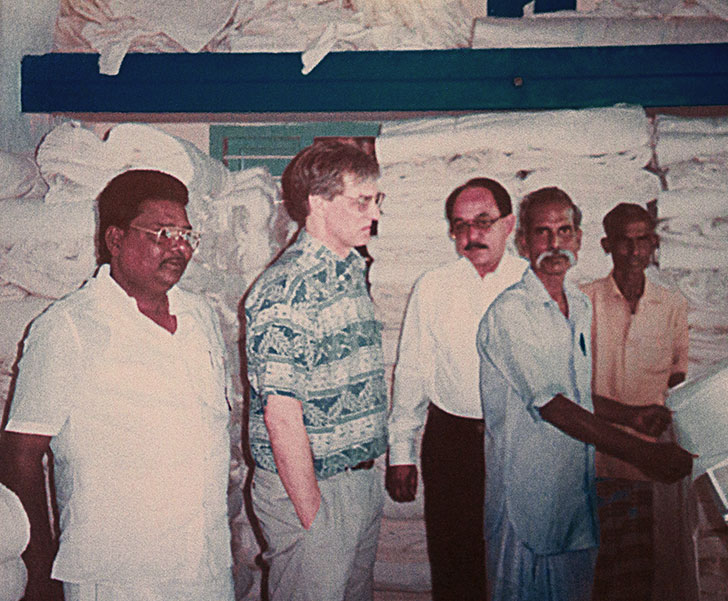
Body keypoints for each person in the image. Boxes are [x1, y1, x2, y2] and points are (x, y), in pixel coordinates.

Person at [0, 169, 234, 601]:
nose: (179, 247)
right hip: (118, 575)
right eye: (162, 234)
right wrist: (39, 569)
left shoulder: (200, 316)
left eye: (186, 235)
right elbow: (20, 453)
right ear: (115, 239)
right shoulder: (69, 327)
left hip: (205, 565)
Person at [476, 187, 693, 601]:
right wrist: (643, 453)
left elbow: (573, 394)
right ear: (523, 243)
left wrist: (630, 415)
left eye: (564, 231)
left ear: (578, 238)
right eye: (542, 233)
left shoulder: (577, 304)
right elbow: (553, 408)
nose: (554, 244)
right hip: (525, 507)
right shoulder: (511, 313)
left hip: (573, 505)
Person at [244, 140, 388, 601]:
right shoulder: (286, 289)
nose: (375, 214)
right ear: (317, 203)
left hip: (357, 482)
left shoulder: (348, 271)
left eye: (377, 201)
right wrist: (312, 514)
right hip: (312, 488)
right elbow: (281, 416)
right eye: (361, 201)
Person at [386, 178, 527, 601]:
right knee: (455, 565)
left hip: (523, 440)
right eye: (460, 225)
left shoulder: (534, 283)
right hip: (452, 442)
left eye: (484, 221)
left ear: (510, 224)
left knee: (521, 564)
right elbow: (412, 369)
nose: (471, 235)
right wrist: (401, 453)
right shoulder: (434, 285)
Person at [579, 203, 690, 601]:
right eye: (624, 241)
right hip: (593, 462)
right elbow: (569, 387)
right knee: (595, 576)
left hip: (647, 464)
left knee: (639, 580)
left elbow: (677, 376)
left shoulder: (671, 304)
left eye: (643, 239)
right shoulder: (582, 302)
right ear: (607, 245)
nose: (634, 250)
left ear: (654, 243)